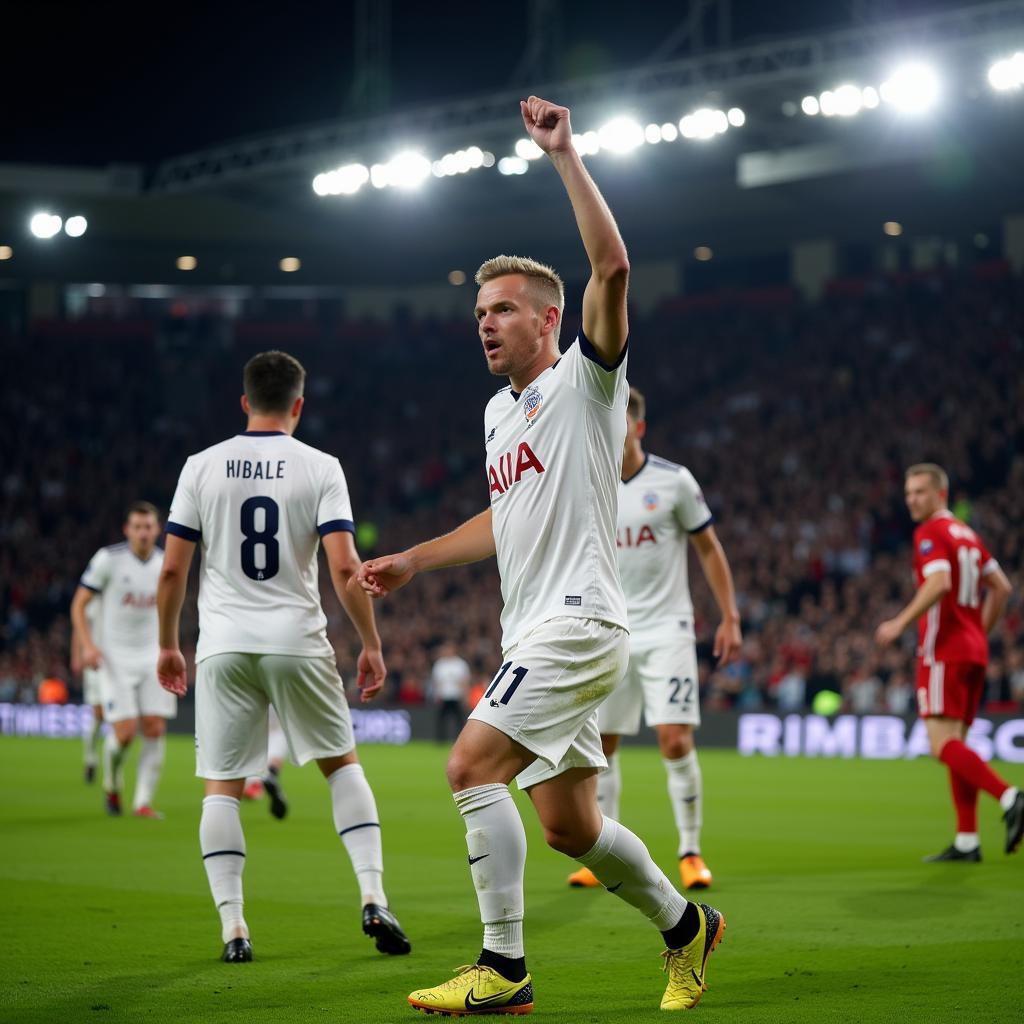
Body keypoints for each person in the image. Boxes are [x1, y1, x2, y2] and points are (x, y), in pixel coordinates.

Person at [357, 95, 725, 1015]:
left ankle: (505, 971)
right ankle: (690, 929)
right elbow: (502, 519)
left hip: (580, 619)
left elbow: (614, 264)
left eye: (503, 309)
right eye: (479, 312)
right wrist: (413, 560)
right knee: (570, 828)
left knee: (469, 766)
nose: (485, 323)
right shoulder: (496, 413)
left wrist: (565, 155)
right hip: (532, 626)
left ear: (548, 318)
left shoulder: (587, 383)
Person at [156, 349, 410, 963]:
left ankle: (234, 928)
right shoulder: (320, 466)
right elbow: (346, 565)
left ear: (244, 402)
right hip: (297, 639)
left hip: (223, 645)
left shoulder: (201, 466)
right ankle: (373, 895)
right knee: (342, 767)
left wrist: (167, 643)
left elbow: (171, 571)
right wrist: (371, 643)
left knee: (222, 787)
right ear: (299, 404)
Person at [568, 386, 742, 892]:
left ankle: (690, 850)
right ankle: (603, 855)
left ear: (637, 427)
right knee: (603, 745)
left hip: (668, 627)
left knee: (674, 738)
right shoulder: (590, 483)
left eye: (617, 421)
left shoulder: (673, 482)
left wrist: (729, 615)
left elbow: (708, 548)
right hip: (610, 630)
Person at [876, 463, 1022, 860]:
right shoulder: (969, 535)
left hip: (943, 650)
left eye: (920, 492)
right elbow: (1002, 587)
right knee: (955, 742)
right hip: (973, 650)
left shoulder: (931, 532)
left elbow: (938, 584)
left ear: (941, 495)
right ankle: (967, 841)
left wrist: (899, 622)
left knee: (942, 745)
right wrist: (979, 631)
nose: (912, 500)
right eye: (908, 493)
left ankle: (1010, 797)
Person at [70, 502, 172, 817]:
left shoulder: (165, 563)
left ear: (157, 530)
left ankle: (142, 802)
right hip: (114, 658)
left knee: (154, 727)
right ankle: (112, 781)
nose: (143, 533)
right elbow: (79, 604)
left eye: (149, 527)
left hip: (152, 655)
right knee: (125, 733)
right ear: (127, 530)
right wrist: (88, 646)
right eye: (137, 527)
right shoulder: (108, 560)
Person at [71, 593, 105, 784]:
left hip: (119, 663)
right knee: (99, 714)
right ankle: (90, 758)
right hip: (95, 663)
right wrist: (77, 655)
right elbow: (79, 627)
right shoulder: (92, 599)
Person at [242, 706, 289, 820]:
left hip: (252, 712)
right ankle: (270, 774)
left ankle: (254, 781)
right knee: (278, 740)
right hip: (279, 709)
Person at [430, 642, 471, 743]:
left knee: (459, 720)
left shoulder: (460, 664)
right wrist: (437, 695)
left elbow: (465, 681)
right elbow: (436, 681)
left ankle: (461, 740)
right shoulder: (440, 664)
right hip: (444, 696)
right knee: (441, 720)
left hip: (456, 696)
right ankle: (440, 740)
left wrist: (465, 696)